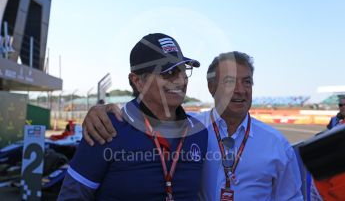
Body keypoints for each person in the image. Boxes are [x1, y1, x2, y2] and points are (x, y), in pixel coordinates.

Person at [82, 51, 303, 200]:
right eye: (229, 81)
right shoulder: (188, 130)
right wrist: (102, 110)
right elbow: (148, 115)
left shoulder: (277, 145)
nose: (240, 90)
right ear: (211, 87)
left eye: (247, 82)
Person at [58, 33, 208, 200]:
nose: (181, 80)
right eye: (169, 72)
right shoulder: (106, 127)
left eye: (183, 70)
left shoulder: (200, 132)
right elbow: (71, 196)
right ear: (137, 81)